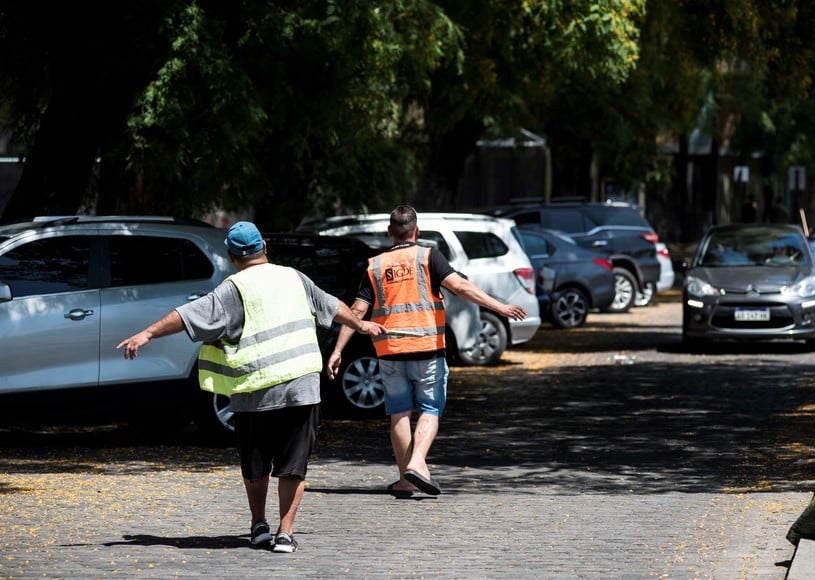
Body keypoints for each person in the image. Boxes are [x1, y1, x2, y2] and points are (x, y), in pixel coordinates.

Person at [117, 221, 385, 553]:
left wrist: (147, 333)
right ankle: (285, 533)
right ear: (265, 247)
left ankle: (259, 525)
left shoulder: (234, 287)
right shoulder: (294, 277)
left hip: (255, 388)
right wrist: (360, 324)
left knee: (255, 464)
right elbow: (333, 306)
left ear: (231, 256)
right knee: (293, 464)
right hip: (301, 384)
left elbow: (188, 315)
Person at [326, 205, 526, 496]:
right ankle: (418, 462)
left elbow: (356, 311)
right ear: (416, 231)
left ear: (389, 233)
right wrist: (500, 307)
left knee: (399, 414)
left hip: (390, 352)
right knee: (430, 410)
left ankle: (405, 480)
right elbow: (459, 286)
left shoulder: (375, 265)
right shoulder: (429, 256)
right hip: (427, 349)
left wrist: (337, 350)